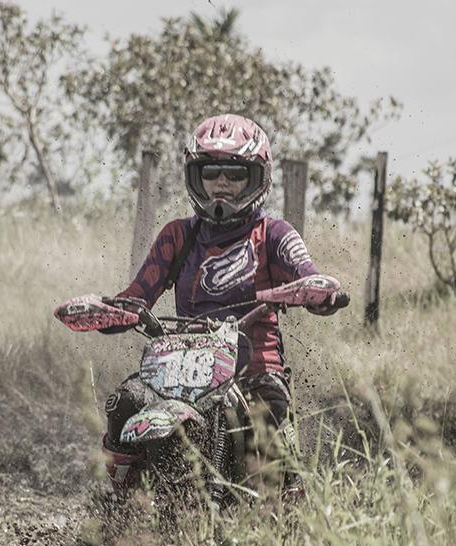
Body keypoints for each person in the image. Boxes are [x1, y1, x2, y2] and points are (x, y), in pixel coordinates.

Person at [100, 113, 344, 498]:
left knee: (270, 409)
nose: (222, 185)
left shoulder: (275, 234)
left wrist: (318, 291)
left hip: (254, 368)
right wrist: (110, 312)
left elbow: (306, 273)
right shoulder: (177, 236)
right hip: (181, 370)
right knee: (124, 402)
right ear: (195, 177)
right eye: (211, 174)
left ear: (257, 178)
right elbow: (137, 294)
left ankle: (284, 511)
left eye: (235, 175)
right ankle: (119, 508)